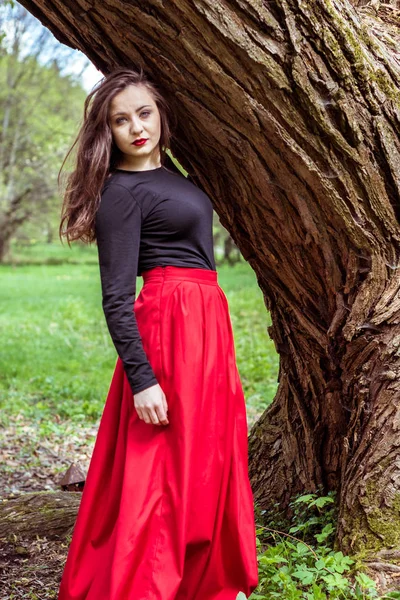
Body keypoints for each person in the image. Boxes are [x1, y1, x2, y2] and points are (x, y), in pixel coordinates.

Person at [57, 66, 258, 600]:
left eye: (144, 113)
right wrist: (142, 378)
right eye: (121, 120)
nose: (136, 127)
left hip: (206, 322)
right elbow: (117, 296)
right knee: (161, 468)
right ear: (109, 132)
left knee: (209, 453)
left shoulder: (177, 177)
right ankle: (145, 587)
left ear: (162, 115)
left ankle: (206, 578)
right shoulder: (119, 193)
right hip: (167, 323)